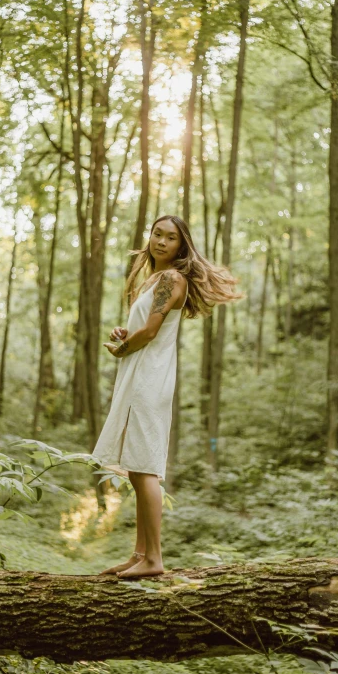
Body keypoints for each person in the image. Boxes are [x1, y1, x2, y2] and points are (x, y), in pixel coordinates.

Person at [91, 214, 244, 578]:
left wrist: (124, 346)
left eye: (170, 237)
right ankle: (140, 553)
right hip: (141, 375)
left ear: (181, 245)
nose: (161, 241)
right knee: (136, 467)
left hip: (150, 379)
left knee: (144, 468)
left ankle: (155, 559)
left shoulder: (172, 278)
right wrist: (126, 331)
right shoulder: (154, 280)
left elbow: (152, 330)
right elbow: (145, 327)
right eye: (157, 234)